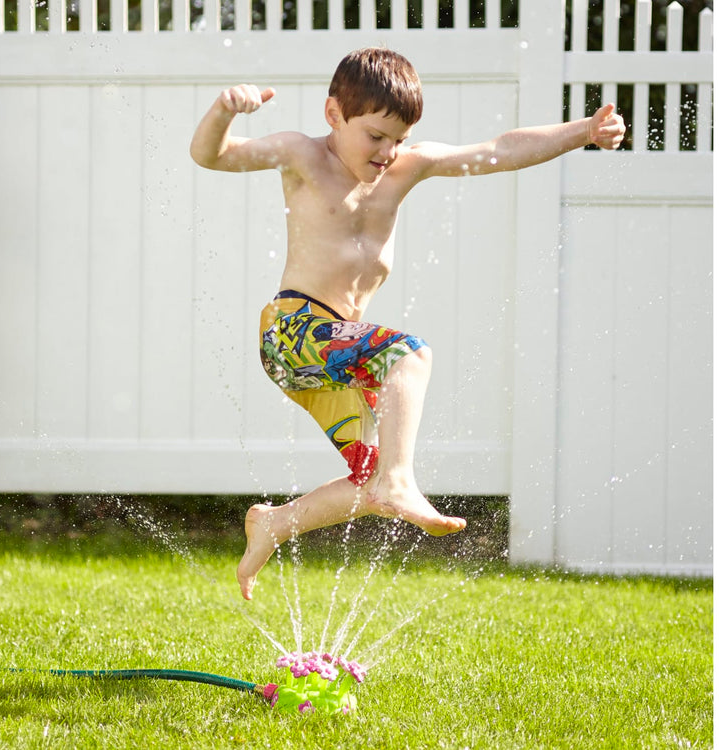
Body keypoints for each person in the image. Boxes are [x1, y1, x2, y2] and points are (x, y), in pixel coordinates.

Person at [190, 47, 625, 600]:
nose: (386, 151)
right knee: (409, 353)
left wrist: (583, 131)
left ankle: (275, 523)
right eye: (375, 135)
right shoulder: (302, 155)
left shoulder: (403, 168)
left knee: (365, 480)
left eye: (398, 137)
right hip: (293, 334)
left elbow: (498, 149)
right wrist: (226, 111)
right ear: (333, 115)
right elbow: (213, 155)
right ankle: (400, 481)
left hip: (342, 357)